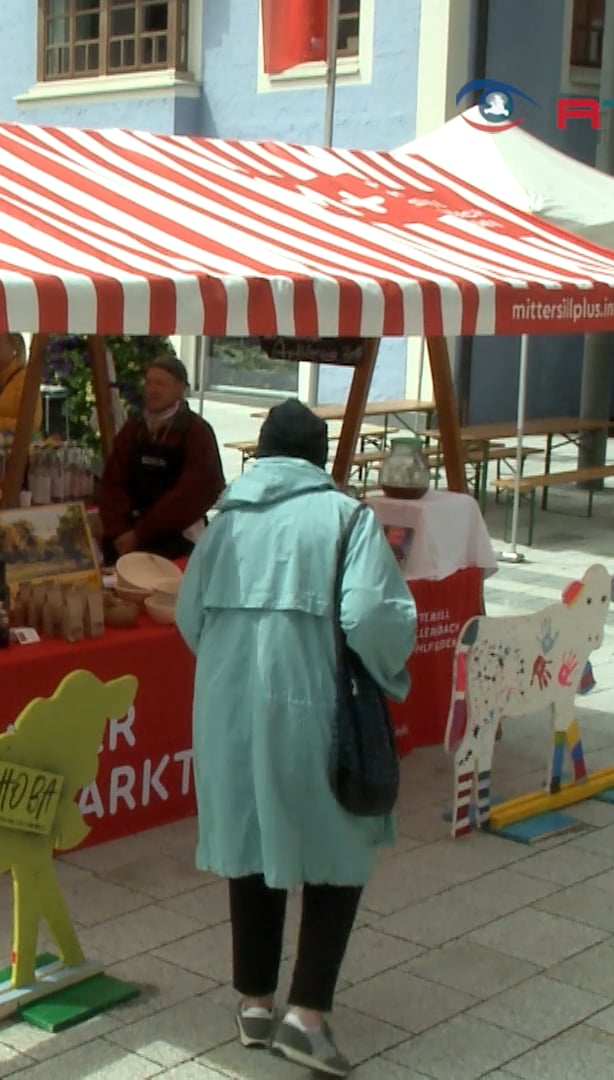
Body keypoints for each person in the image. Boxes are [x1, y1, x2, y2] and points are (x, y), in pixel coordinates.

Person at [175, 399, 416, 1078]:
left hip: (225, 706)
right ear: (319, 458)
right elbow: (372, 614)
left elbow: (189, 616)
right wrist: (386, 668)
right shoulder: (345, 518)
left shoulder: (223, 523)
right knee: (338, 846)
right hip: (311, 702)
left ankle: (254, 1002)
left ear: (262, 454)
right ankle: (306, 1016)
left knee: (249, 841)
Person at [97, 355, 224, 561]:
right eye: (148, 383)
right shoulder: (133, 429)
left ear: (179, 388)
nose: (152, 390)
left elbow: (194, 493)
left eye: (160, 384)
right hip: (126, 542)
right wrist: (120, 531)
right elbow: (112, 483)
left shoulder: (197, 433)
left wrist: (141, 534)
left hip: (175, 544)